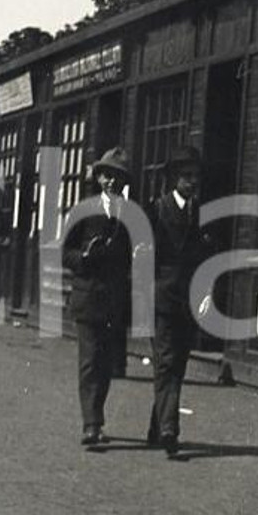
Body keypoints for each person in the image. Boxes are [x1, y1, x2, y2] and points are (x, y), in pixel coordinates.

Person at [62, 148, 134, 447]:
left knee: (106, 364)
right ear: (98, 177)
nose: (111, 182)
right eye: (107, 175)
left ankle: (97, 416)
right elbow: (65, 252)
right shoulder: (84, 210)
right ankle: (91, 424)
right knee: (90, 361)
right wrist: (84, 257)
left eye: (117, 176)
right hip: (88, 296)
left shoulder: (129, 214)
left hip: (114, 300)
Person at [146, 144, 213, 458]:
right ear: (174, 178)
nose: (192, 182)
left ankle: (155, 427)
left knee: (176, 364)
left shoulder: (201, 213)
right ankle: (170, 429)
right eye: (186, 176)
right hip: (161, 296)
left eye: (195, 176)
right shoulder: (157, 210)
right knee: (167, 363)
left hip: (189, 299)